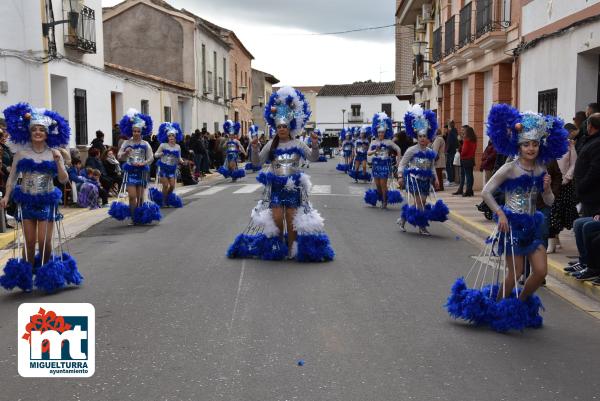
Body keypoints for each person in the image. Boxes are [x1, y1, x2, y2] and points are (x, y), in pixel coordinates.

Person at [446, 104, 568, 332]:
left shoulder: (542, 169)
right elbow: (486, 192)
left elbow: (550, 201)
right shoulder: (510, 168)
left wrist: (548, 189)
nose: (531, 149)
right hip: (511, 226)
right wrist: (500, 213)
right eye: (526, 144)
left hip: (532, 226)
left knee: (541, 272)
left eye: (534, 144)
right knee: (516, 273)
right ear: (518, 146)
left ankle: (518, 304)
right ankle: (496, 306)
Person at [227, 86, 334, 262]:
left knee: (291, 217)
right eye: (279, 126)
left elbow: (313, 158)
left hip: (293, 188)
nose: (282, 129)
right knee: (277, 217)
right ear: (275, 128)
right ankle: (278, 247)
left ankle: (292, 248)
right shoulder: (271, 144)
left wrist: (315, 145)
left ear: (290, 126)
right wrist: (254, 148)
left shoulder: (298, 144)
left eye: (285, 126)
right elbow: (256, 163)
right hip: (275, 186)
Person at [0, 102, 83, 293]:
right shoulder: (21, 154)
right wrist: (6, 196)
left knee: (44, 241)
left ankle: (47, 276)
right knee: (29, 242)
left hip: (46, 200)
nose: (38, 132)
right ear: (30, 132)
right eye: (34, 129)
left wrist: (59, 163)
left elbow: (63, 180)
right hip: (27, 201)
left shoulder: (54, 153)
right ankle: (28, 277)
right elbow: (12, 178)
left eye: (41, 130)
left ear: (47, 133)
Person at [398, 105, 448, 235]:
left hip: (425, 181)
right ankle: (422, 226)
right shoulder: (411, 150)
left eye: (424, 136)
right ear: (417, 136)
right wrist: (400, 176)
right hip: (414, 180)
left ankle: (403, 218)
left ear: (428, 137)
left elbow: (431, 167)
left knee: (421, 202)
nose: (422, 139)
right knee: (420, 202)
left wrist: (436, 179)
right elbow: (402, 164)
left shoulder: (430, 152)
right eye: (420, 136)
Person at [109, 108, 161, 225]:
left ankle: (140, 215)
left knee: (141, 197)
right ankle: (133, 218)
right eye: (134, 131)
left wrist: (144, 163)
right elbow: (119, 156)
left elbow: (151, 157)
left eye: (138, 131)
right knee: (132, 196)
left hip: (142, 172)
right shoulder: (127, 143)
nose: (136, 133)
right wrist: (125, 153)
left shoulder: (145, 144)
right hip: (131, 172)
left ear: (141, 132)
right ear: (131, 131)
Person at [566, 113, 600, 281]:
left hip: (592, 194)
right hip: (587, 194)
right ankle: (585, 262)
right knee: (580, 224)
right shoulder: (590, 140)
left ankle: (591, 265)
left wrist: (582, 185)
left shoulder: (597, 142)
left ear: (590, 126)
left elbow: (595, 170)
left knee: (588, 227)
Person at [547, 123, 578, 253]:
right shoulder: (548, 147)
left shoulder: (569, 146)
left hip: (565, 185)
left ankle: (555, 237)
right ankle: (551, 242)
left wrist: (567, 178)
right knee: (552, 213)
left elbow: (574, 164)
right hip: (551, 185)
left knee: (561, 214)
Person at [364, 113, 403, 209]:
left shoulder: (388, 142)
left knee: (383, 184)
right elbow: (368, 153)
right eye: (379, 132)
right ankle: (382, 198)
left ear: (385, 132)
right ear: (376, 132)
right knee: (377, 185)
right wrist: (374, 150)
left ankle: (384, 201)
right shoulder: (373, 142)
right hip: (376, 165)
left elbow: (398, 149)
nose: (380, 134)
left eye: (382, 132)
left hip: (385, 165)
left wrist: (398, 160)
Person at [149, 122, 185, 208]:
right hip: (163, 168)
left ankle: (165, 198)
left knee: (172, 186)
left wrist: (183, 161)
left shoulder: (178, 147)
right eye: (169, 136)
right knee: (165, 185)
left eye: (173, 136)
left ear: (176, 137)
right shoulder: (163, 145)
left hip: (172, 168)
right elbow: (155, 155)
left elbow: (179, 157)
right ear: (167, 137)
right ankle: (164, 201)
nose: (171, 138)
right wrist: (162, 153)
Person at [453, 125, 477, 197]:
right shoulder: (474, 140)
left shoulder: (467, 140)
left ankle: (468, 191)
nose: (463, 132)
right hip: (471, 159)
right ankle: (470, 190)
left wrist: (460, 151)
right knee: (470, 175)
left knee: (468, 175)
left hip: (466, 159)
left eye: (464, 131)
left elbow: (464, 151)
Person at [445, 121, 458, 185]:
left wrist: (446, 151)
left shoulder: (451, 133)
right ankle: (451, 180)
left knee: (449, 166)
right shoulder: (455, 132)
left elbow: (450, 143)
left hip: (450, 152)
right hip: (454, 151)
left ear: (449, 126)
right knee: (451, 166)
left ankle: (451, 180)